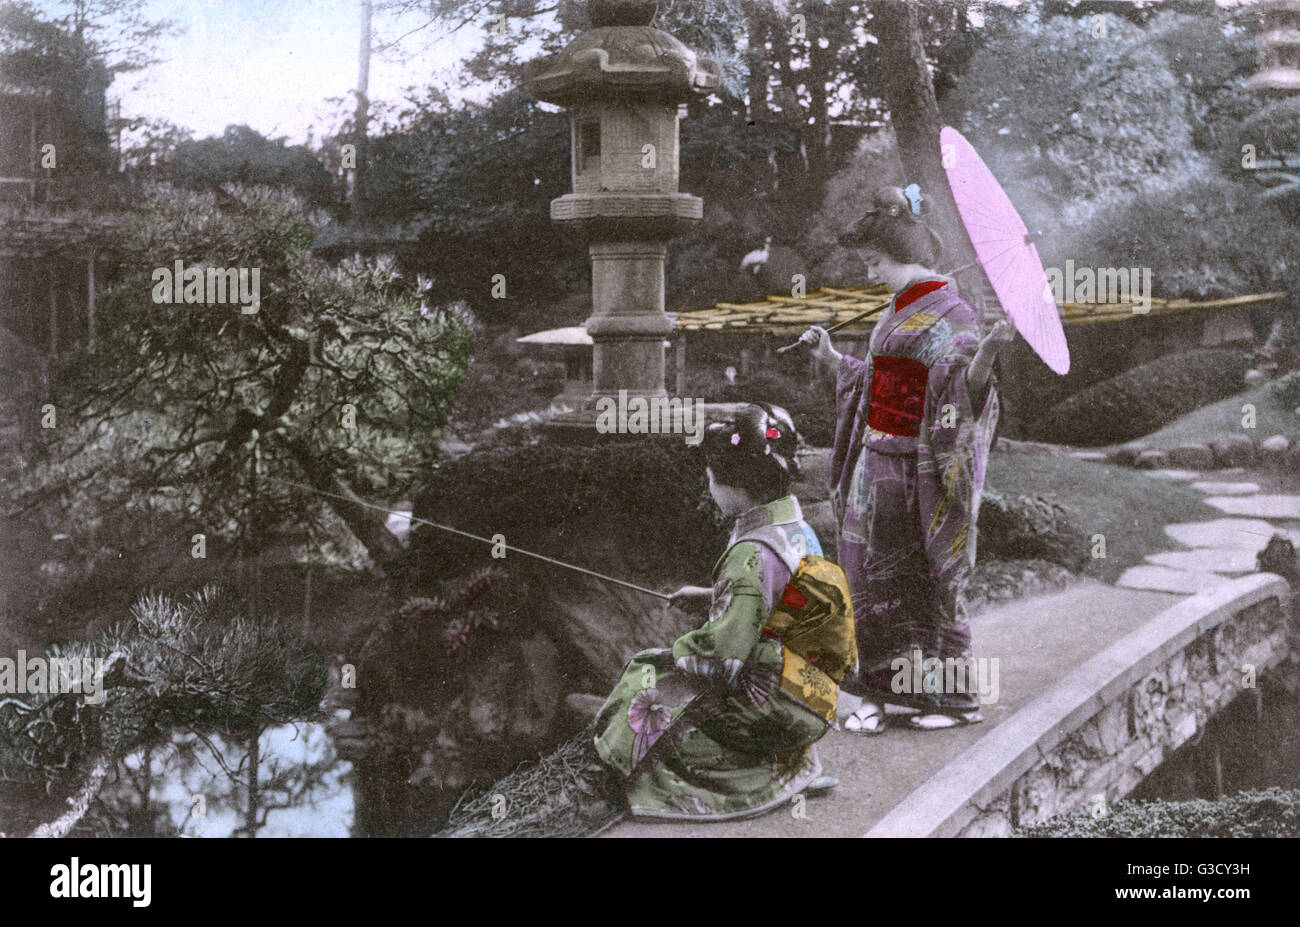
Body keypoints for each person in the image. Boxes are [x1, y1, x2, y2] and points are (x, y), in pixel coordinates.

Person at [797, 185, 1014, 734]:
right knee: (865, 582)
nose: (872, 273)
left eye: (876, 262)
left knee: (923, 578)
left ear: (904, 257)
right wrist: (830, 358)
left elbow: (961, 395)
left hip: (917, 470)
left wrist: (985, 353)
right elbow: (873, 383)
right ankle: (875, 694)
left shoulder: (956, 315)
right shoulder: (900, 309)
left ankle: (951, 700)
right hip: (874, 465)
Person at [592, 403, 856, 821]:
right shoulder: (796, 529)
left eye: (712, 479)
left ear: (737, 486)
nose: (710, 488)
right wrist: (713, 596)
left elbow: (722, 657)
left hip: (775, 708)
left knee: (644, 687)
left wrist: (674, 652)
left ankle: (751, 778)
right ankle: (794, 765)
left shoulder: (749, 553)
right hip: (815, 693)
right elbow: (780, 598)